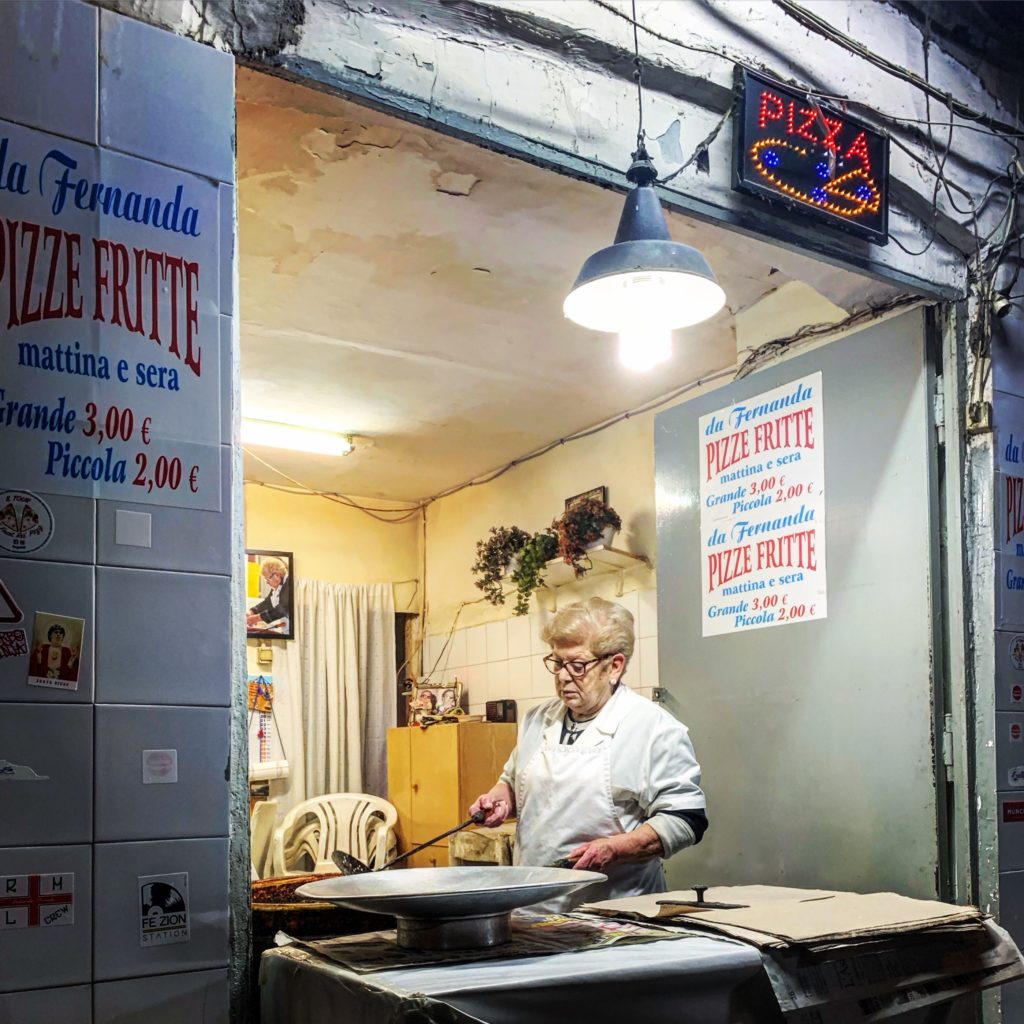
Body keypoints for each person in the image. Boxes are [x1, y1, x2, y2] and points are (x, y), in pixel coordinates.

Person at [470, 597, 706, 909]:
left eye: (577, 666)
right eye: (557, 663)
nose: (563, 676)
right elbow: (513, 781)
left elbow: (686, 819)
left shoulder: (653, 728)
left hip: (615, 911)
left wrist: (617, 849)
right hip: (533, 906)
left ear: (615, 666)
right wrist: (501, 798)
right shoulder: (537, 719)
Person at [247, 558, 291, 631]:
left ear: (276, 575)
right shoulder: (278, 585)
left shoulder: (288, 583)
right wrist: (252, 611)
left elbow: (282, 608)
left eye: (268, 579)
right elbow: (268, 602)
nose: (267, 582)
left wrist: (257, 618)